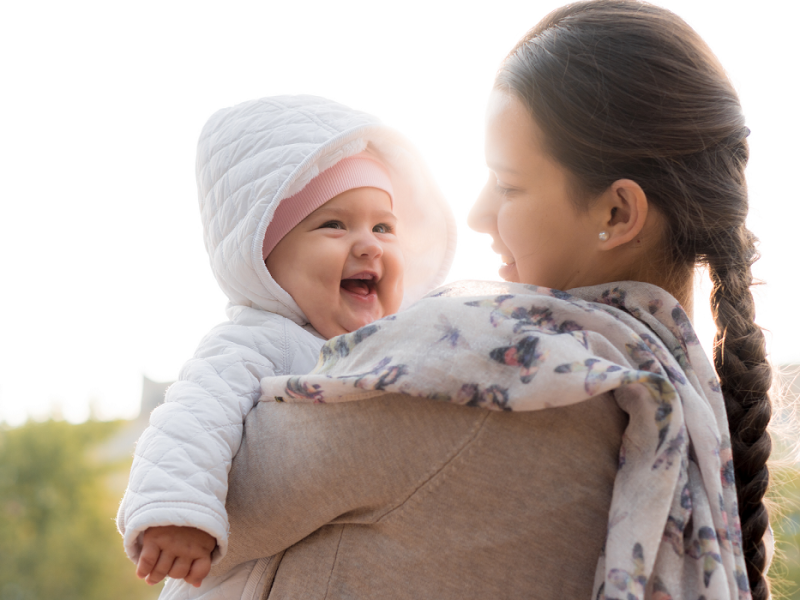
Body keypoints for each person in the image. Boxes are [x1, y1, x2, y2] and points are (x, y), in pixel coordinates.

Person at [173, 2, 773, 599]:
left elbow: (213, 499)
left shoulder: (486, 377)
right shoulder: (699, 438)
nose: (477, 213)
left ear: (616, 213)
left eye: (508, 184)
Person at [115, 95, 456, 588]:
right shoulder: (256, 340)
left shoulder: (393, 345)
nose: (369, 243)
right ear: (265, 257)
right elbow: (193, 419)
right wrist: (177, 512)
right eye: (334, 224)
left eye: (383, 225)